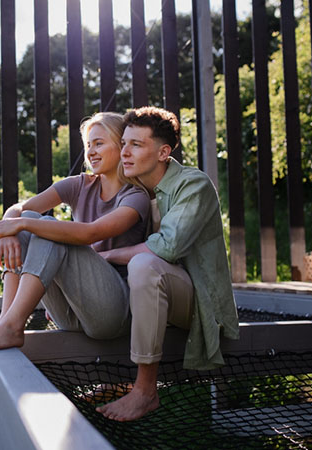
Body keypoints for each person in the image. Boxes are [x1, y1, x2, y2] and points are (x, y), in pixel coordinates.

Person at [95, 106, 239, 422]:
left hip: (197, 302)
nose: (125, 152)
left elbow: (167, 247)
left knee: (144, 265)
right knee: (134, 270)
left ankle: (145, 391)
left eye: (136, 144)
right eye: (124, 143)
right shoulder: (132, 191)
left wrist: (107, 257)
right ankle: (119, 378)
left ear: (163, 152)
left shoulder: (193, 185)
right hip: (150, 298)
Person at [0, 112, 150, 352]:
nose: (91, 151)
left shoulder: (135, 197)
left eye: (99, 143)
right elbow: (19, 209)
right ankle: (7, 321)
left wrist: (22, 224)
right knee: (30, 219)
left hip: (113, 314)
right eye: (88, 145)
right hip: (72, 313)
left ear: (120, 144)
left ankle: (11, 325)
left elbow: (89, 233)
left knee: (47, 229)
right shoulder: (80, 184)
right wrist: (9, 229)